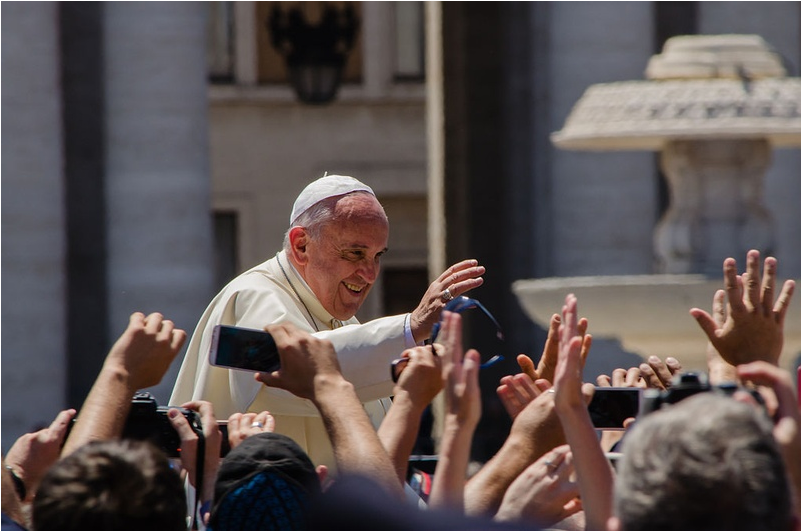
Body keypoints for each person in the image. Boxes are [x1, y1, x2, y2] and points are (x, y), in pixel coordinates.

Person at [170, 174, 485, 468]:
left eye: (377, 256)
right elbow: (297, 369)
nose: (370, 273)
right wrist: (411, 326)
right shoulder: (253, 295)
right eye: (355, 253)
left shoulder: (345, 327)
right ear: (301, 245)